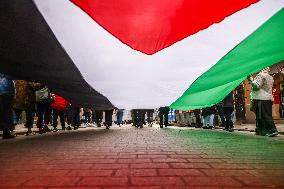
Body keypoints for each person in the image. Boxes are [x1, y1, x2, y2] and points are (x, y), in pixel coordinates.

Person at [248, 68, 278, 137]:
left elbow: (257, 86)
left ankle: (272, 130)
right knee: (262, 115)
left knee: (263, 115)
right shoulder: (270, 76)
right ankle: (260, 130)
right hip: (268, 98)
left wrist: (250, 80)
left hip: (261, 98)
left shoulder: (261, 75)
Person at [0, 73, 16, 139]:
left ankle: (6, 131)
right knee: (7, 114)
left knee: (3, 114)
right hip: (6, 94)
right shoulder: (7, 71)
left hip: (4, 93)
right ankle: (6, 132)